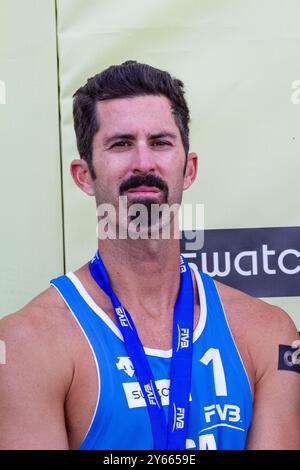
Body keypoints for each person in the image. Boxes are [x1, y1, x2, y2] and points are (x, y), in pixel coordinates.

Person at [0, 61, 299, 451]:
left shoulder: (269, 333)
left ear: (188, 169)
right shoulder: (26, 345)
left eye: (160, 142)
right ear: (83, 176)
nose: (144, 162)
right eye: (121, 144)